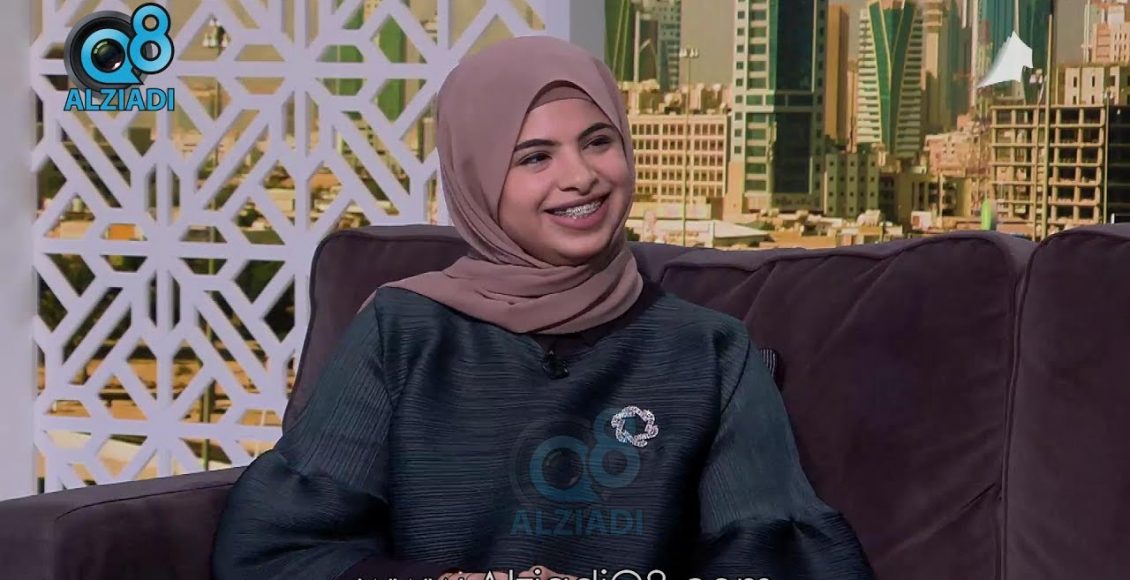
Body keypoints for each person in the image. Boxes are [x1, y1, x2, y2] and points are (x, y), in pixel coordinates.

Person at [212, 35, 874, 580]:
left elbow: (782, 558)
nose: (580, 176)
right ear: (477, 179)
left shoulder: (709, 351)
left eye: (598, 141)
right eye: (535, 157)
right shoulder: (403, 332)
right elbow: (277, 551)